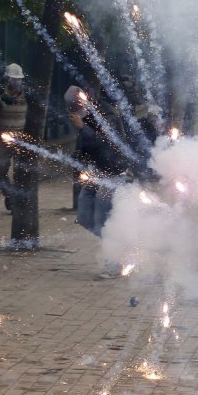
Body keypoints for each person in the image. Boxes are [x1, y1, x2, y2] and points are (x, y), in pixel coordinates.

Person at [68, 86, 129, 277]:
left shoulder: (108, 114)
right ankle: (119, 244)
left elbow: (106, 143)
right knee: (85, 216)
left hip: (113, 173)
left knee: (103, 218)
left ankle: (114, 263)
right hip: (97, 172)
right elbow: (85, 146)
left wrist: (82, 128)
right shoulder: (85, 116)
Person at [0, 63, 27, 212]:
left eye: (18, 79)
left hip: (22, 139)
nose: (16, 82)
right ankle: (10, 197)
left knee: (22, 173)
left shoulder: (27, 94)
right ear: (7, 78)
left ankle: (19, 202)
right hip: (3, 140)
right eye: (13, 79)